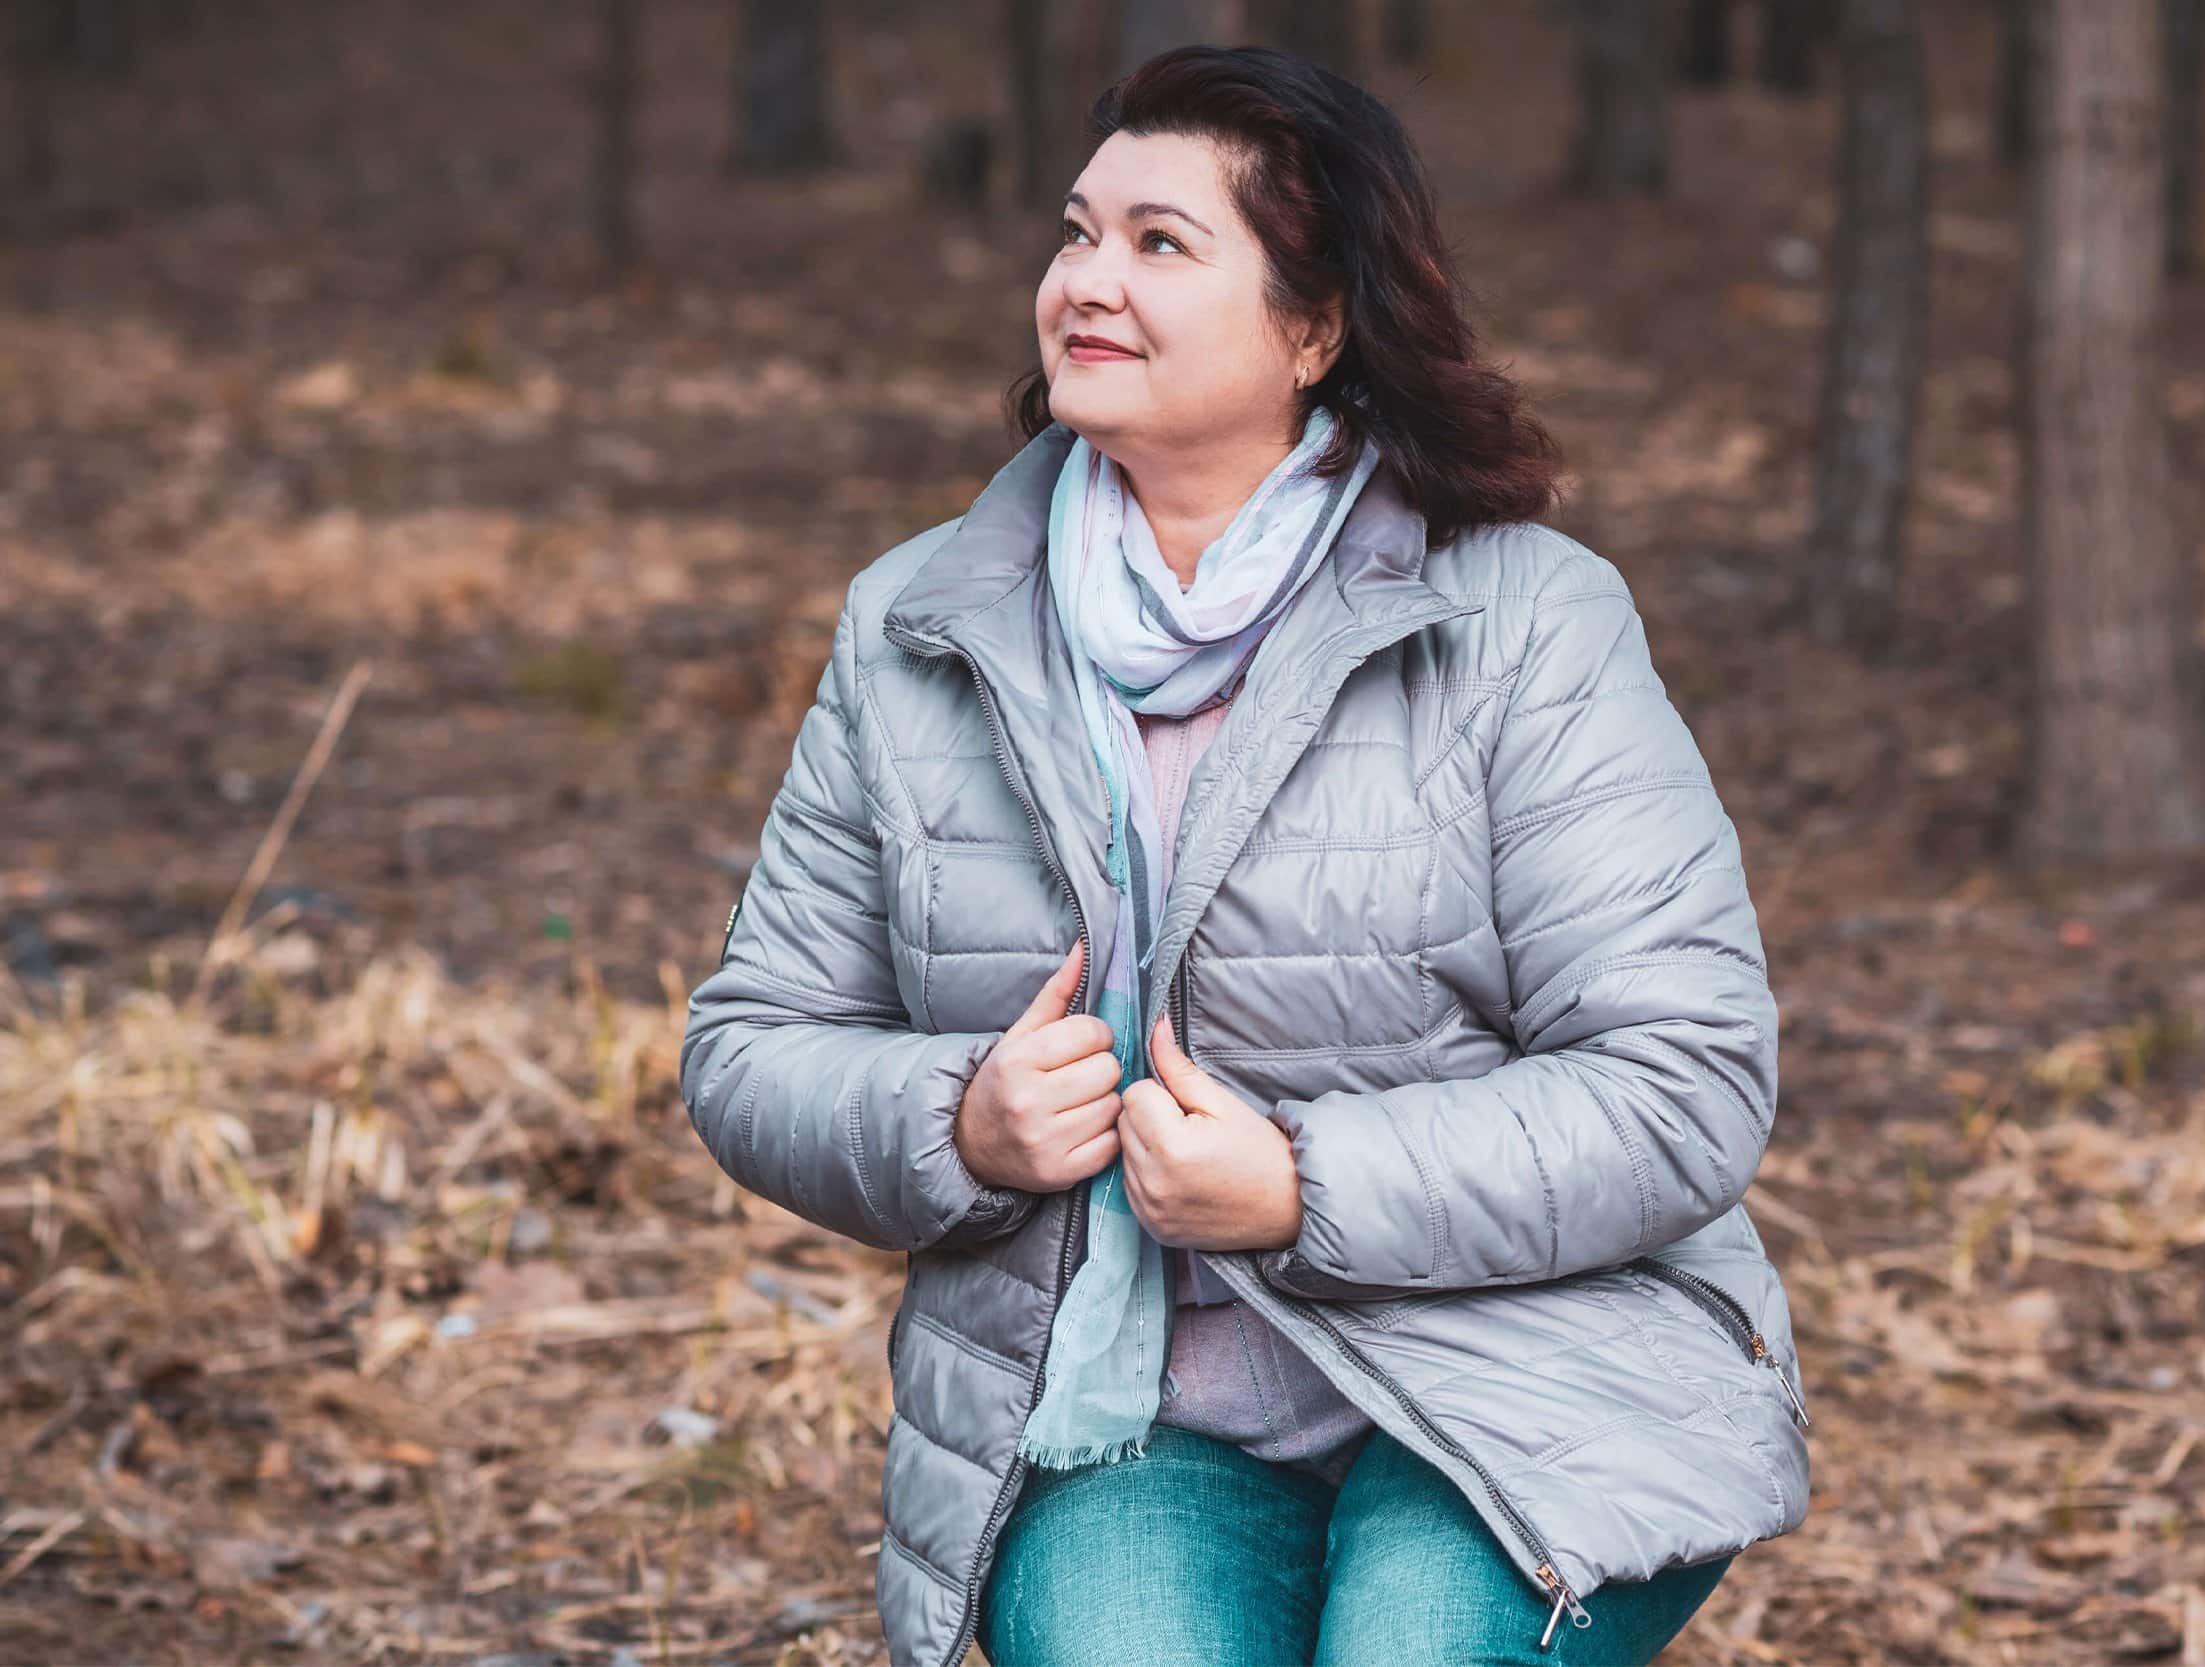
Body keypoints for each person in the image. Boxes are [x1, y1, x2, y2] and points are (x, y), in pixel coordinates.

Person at [680, 44, 1808, 1667]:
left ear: (1315, 325)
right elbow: (753, 1046)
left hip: (1519, 1373)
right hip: (1138, 1410)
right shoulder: (924, 627)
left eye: (1160, 244)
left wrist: (1304, 1186)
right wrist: (963, 1124)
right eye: (1078, 233)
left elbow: (1685, 1077)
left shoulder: (1517, 619)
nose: (1086, 281)